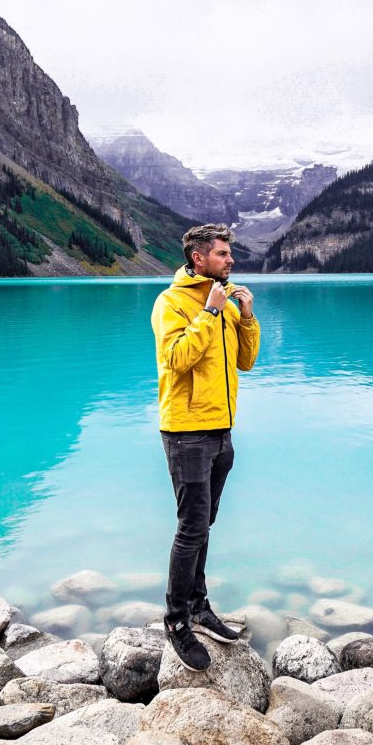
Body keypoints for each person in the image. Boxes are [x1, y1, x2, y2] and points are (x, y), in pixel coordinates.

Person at [151, 223, 261, 670]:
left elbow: (246, 362)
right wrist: (210, 313)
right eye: (221, 254)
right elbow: (176, 359)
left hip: (221, 430)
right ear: (198, 258)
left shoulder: (229, 301)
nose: (230, 259)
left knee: (205, 522)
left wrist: (247, 317)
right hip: (186, 432)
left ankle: (199, 604)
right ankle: (177, 619)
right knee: (191, 525)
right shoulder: (172, 303)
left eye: (229, 253)